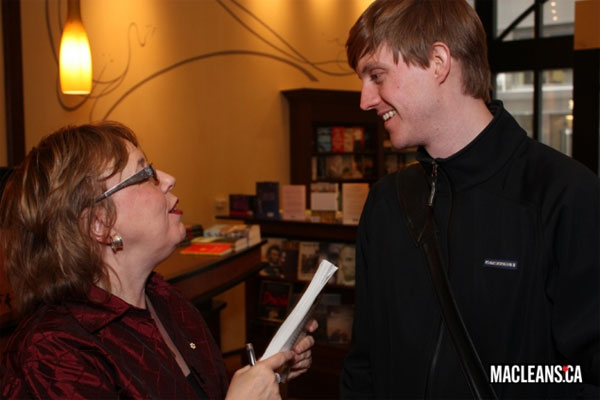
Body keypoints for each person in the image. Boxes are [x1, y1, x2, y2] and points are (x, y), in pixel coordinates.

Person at [341, 0, 599, 398]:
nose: (365, 100)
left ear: (439, 61)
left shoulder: (565, 197)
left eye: (377, 75)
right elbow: (364, 363)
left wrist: (512, 378)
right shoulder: (385, 204)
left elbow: (585, 374)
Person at [0, 122, 316, 399]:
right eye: (145, 174)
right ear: (100, 223)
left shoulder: (165, 300)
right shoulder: (53, 352)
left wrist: (264, 376)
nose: (168, 179)